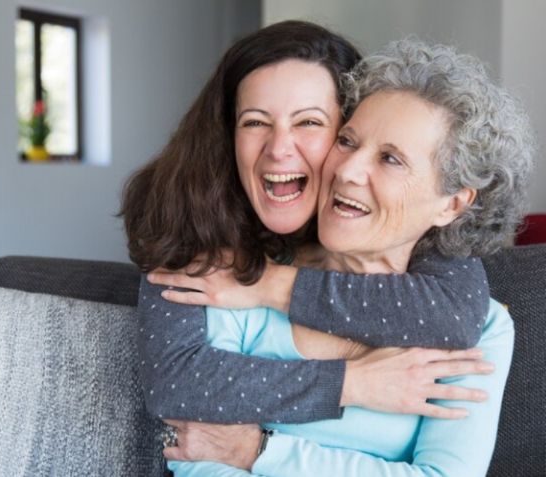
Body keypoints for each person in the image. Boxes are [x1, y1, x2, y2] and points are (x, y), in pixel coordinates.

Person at [163, 38, 532, 476]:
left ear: (451, 204)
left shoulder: (481, 327)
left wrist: (260, 452)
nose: (347, 170)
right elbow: (197, 454)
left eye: (390, 159)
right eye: (347, 140)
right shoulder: (238, 281)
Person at [120, 20, 491, 426]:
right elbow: (174, 384)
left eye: (309, 122)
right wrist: (350, 384)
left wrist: (269, 285)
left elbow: (453, 315)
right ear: (227, 135)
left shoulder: (389, 221)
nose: (279, 149)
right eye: (255, 122)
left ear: (347, 133)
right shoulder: (187, 213)